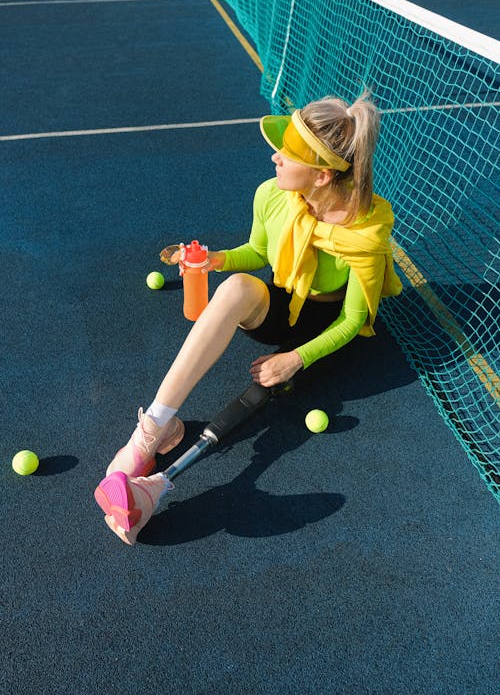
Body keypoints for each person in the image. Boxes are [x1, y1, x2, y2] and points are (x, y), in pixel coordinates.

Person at [94, 90, 403, 545]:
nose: (274, 156)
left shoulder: (365, 228)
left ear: (320, 175)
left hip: (325, 326)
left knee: (280, 382)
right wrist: (215, 259)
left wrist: (294, 359)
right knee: (237, 287)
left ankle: (154, 480)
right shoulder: (272, 196)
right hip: (284, 306)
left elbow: (354, 319)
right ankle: (154, 430)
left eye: (288, 153)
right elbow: (257, 252)